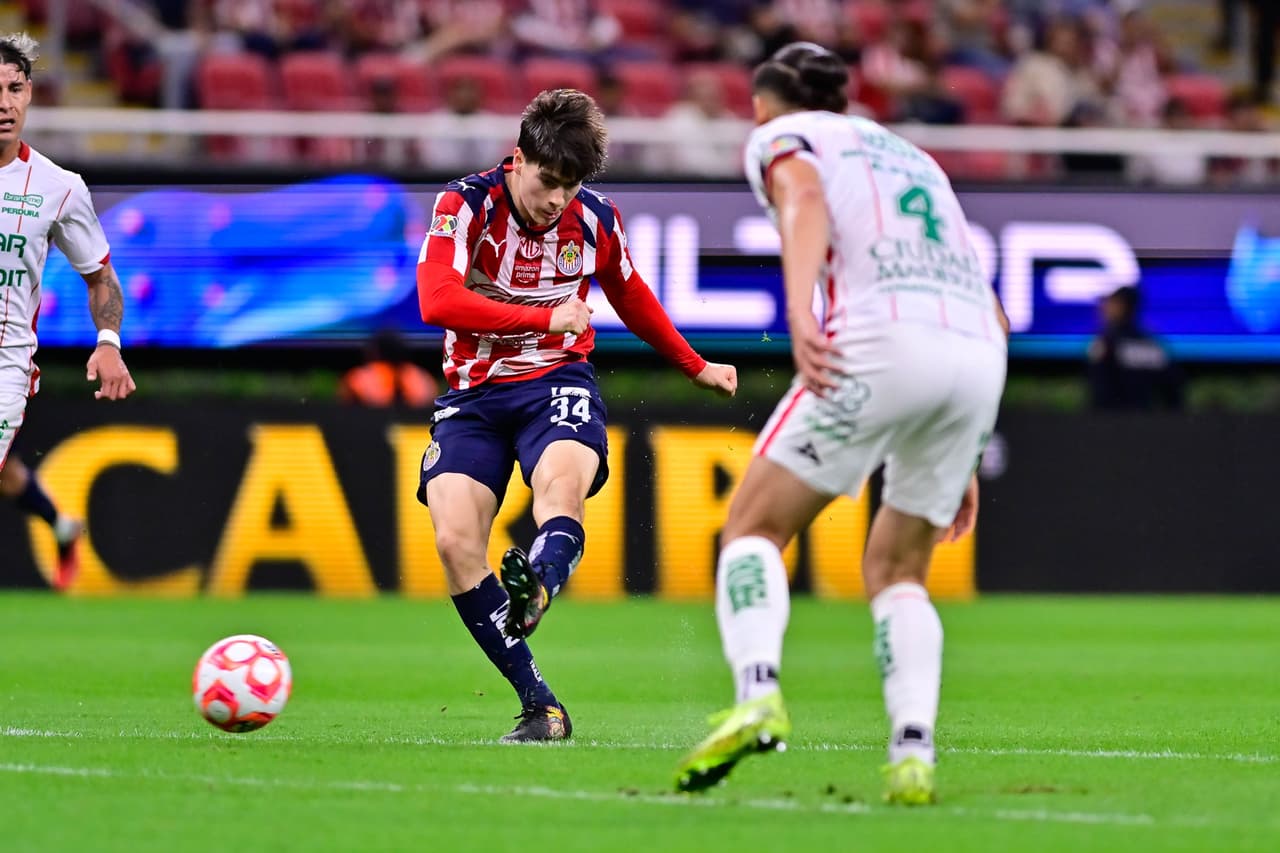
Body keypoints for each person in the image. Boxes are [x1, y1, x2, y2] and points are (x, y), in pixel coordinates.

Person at [673, 42, 1008, 804]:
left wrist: (797, 312)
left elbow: (803, 198)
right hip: (979, 355)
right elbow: (985, 296)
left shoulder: (783, 135)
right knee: (898, 570)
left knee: (753, 526)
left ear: (766, 102)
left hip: (879, 342)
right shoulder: (917, 159)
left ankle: (758, 690)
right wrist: (967, 452)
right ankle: (912, 752)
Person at [415, 89, 737, 743]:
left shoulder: (594, 219)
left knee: (559, 488)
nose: (558, 198)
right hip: (473, 395)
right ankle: (541, 706)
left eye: (571, 184)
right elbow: (436, 299)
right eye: (548, 180)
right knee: (454, 542)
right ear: (518, 158)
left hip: (556, 381)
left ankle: (538, 583)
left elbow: (628, 289)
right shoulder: (465, 206)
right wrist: (543, 315)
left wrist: (692, 362)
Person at [0, 33, 137, 585]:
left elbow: (100, 276)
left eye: (14, 89)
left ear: (30, 93)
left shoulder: (57, 188)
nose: (3, 104)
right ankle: (60, 524)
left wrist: (109, 343)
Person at [1087, 285, 1182, 411]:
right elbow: (1174, 395)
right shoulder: (1154, 344)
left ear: (1123, 306)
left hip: (1112, 424)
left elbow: (1098, 391)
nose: (1104, 308)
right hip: (1148, 425)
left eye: (1111, 303)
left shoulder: (1106, 342)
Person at [338, 329, 438, 408]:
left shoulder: (360, 377)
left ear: (375, 351)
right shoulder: (422, 377)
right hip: (416, 430)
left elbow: (344, 408)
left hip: (368, 428)